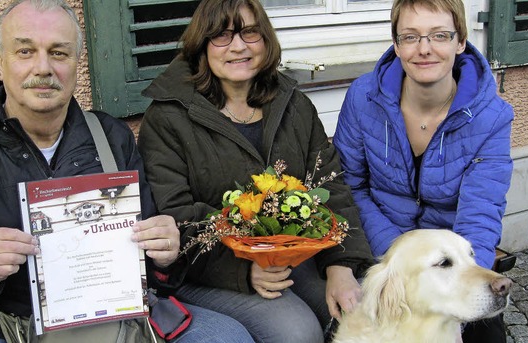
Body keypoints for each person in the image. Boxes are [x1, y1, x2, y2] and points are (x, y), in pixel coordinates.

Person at [0, 1, 254, 342]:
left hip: (116, 317)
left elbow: (153, 264)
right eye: (25, 51)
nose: (43, 68)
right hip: (8, 322)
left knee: (229, 337)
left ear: (76, 62)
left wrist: (166, 255)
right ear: (1, 60)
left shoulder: (110, 137)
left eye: (59, 52)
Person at [137, 0, 375, 342]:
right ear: (202, 44)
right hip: (208, 270)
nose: (238, 46)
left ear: (265, 40)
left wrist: (341, 265)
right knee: (296, 331)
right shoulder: (168, 118)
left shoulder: (293, 104)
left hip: (291, 256)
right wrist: (243, 271)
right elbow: (177, 217)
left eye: (250, 32)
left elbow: (331, 187)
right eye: (221, 35)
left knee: (362, 313)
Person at [332, 0, 514, 342]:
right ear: (396, 44)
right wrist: (400, 253)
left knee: (485, 334)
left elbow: (481, 210)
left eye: (440, 35)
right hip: (378, 248)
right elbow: (348, 187)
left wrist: (461, 280)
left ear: (460, 42)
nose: (425, 49)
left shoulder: (492, 116)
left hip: (452, 256)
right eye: (411, 37)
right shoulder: (362, 98)